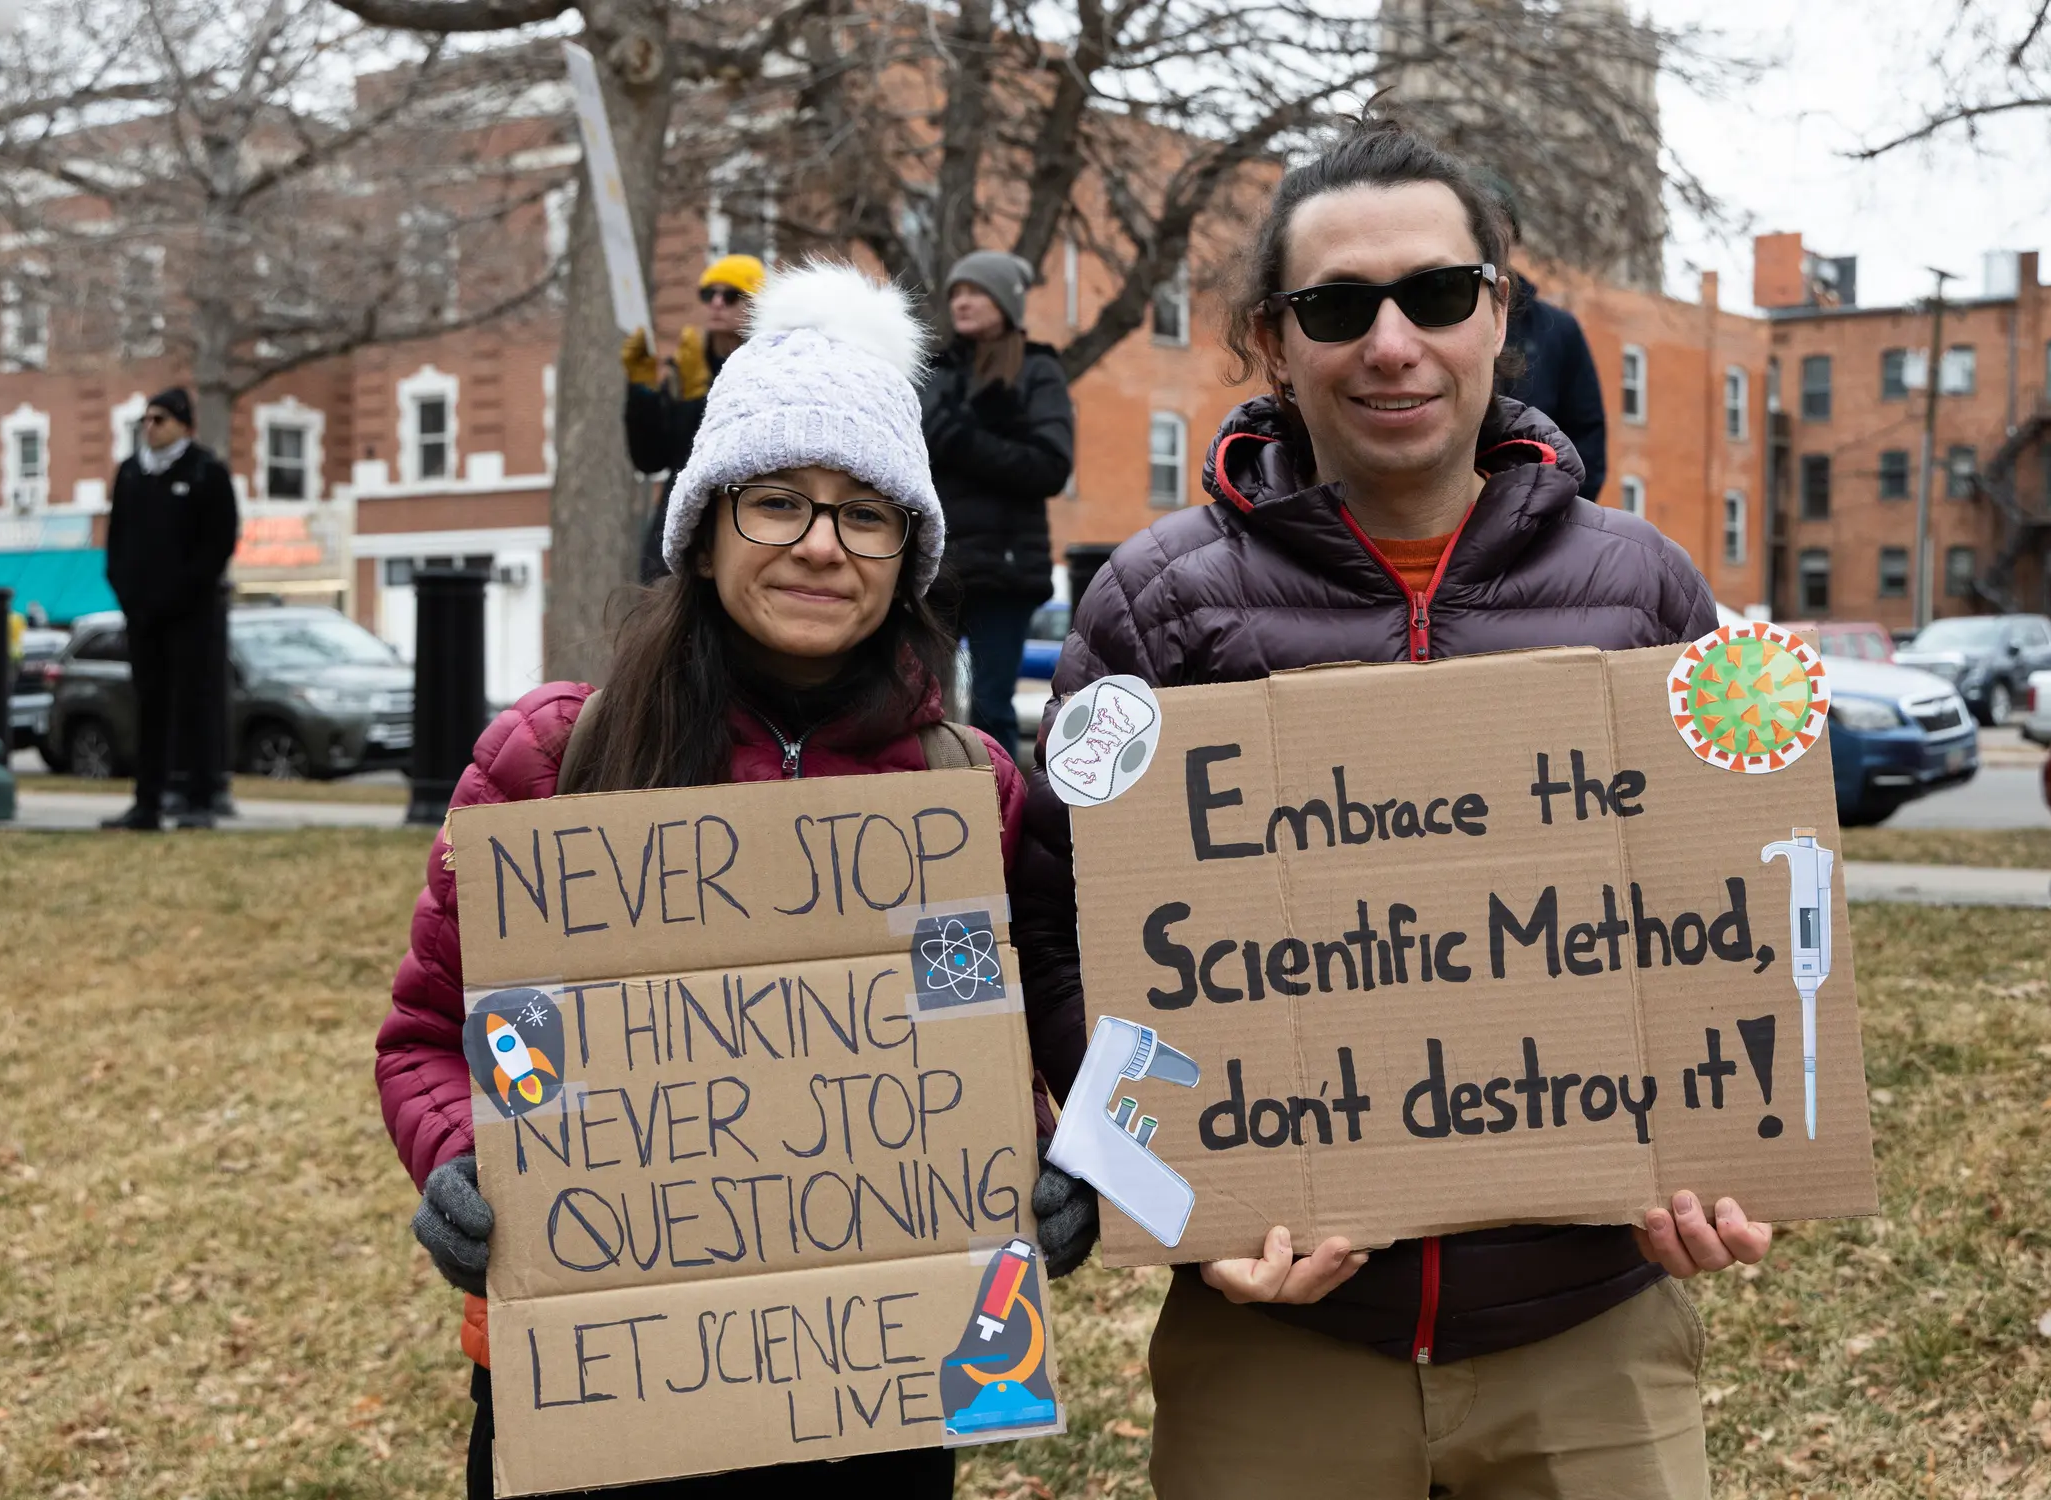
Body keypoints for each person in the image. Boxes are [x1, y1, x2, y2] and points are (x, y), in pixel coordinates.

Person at [1011, 121, 1770, 1500]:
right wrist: (1184, 1198)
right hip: (1280, 1341)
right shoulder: (1155, 606)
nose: (1390, 343)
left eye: (1433, 294)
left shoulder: (1648, 593)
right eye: (1336, 307)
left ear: (1499, 311)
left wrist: (1723, 1149)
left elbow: (1735, 913)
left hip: (1584, 1333)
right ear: (1271, 339)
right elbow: (1059, 946)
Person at [376, 262, 1035, 1500]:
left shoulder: (964, 792)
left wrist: (1038, 1167)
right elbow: (427, 1037)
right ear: (707, 522)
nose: (821, 547)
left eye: (867, 513)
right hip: (596, 1371)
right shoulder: (553, 761)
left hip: (871, 1387)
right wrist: (463, 1160)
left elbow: (978, 1045)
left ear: (910, 549)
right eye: (778, 501)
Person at [922, 249, 1075, 758]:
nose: (962, 301)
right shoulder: (933, 370)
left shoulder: (1036, 370)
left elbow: (1051, 466)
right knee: (919, 703)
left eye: (976, 291)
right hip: (935, 565)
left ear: (1005, 302)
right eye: (957, 292)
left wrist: (962, 440)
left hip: (1005, 570)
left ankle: (1003, 811)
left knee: (991, 707)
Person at [102, 388, 237, 831]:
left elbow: (217, 543)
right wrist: (128, 595)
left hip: (191, 615)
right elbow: (117, 543)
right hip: (142, 617)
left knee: (195, 704)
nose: (149, 427)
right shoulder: (130, 474)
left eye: (159, 419)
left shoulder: (206, 472)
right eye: (145, 420)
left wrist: (181, 594)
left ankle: (200, 799)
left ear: (183, 424)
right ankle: (147, 803)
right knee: (150, 707)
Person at [626, 253, 766, 583]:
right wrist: (642, 390)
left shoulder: (769, 369)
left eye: (732, 295)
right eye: (709, 294)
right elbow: (649, 458)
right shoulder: (686, 365)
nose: (717, 303)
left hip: (742, 518)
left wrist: (697, 399)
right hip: (679, 526)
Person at [1498, 200, 1607, 501]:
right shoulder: (1432, 322)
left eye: (1500, 229)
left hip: (1540, 514)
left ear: (1515, 240)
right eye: (1480, 227)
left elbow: (1587, 434)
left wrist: (1564, 511)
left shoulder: (1557, 329)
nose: (1490, 238)